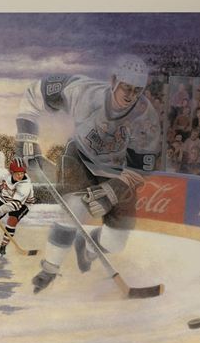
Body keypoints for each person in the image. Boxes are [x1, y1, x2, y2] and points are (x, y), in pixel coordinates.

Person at [14, 54, 160, 293]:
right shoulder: (83, 92)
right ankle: (49, 269)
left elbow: (140, 168)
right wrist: (26, 137)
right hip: (80, 159)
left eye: (137, 91)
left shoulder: (146, 118)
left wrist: (111, 193)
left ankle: (88, 248)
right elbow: (33, 92)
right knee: (73, 209)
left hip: (117, 173)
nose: (130, 96)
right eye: (126, 88)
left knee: (116, 242)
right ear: (113, 81)